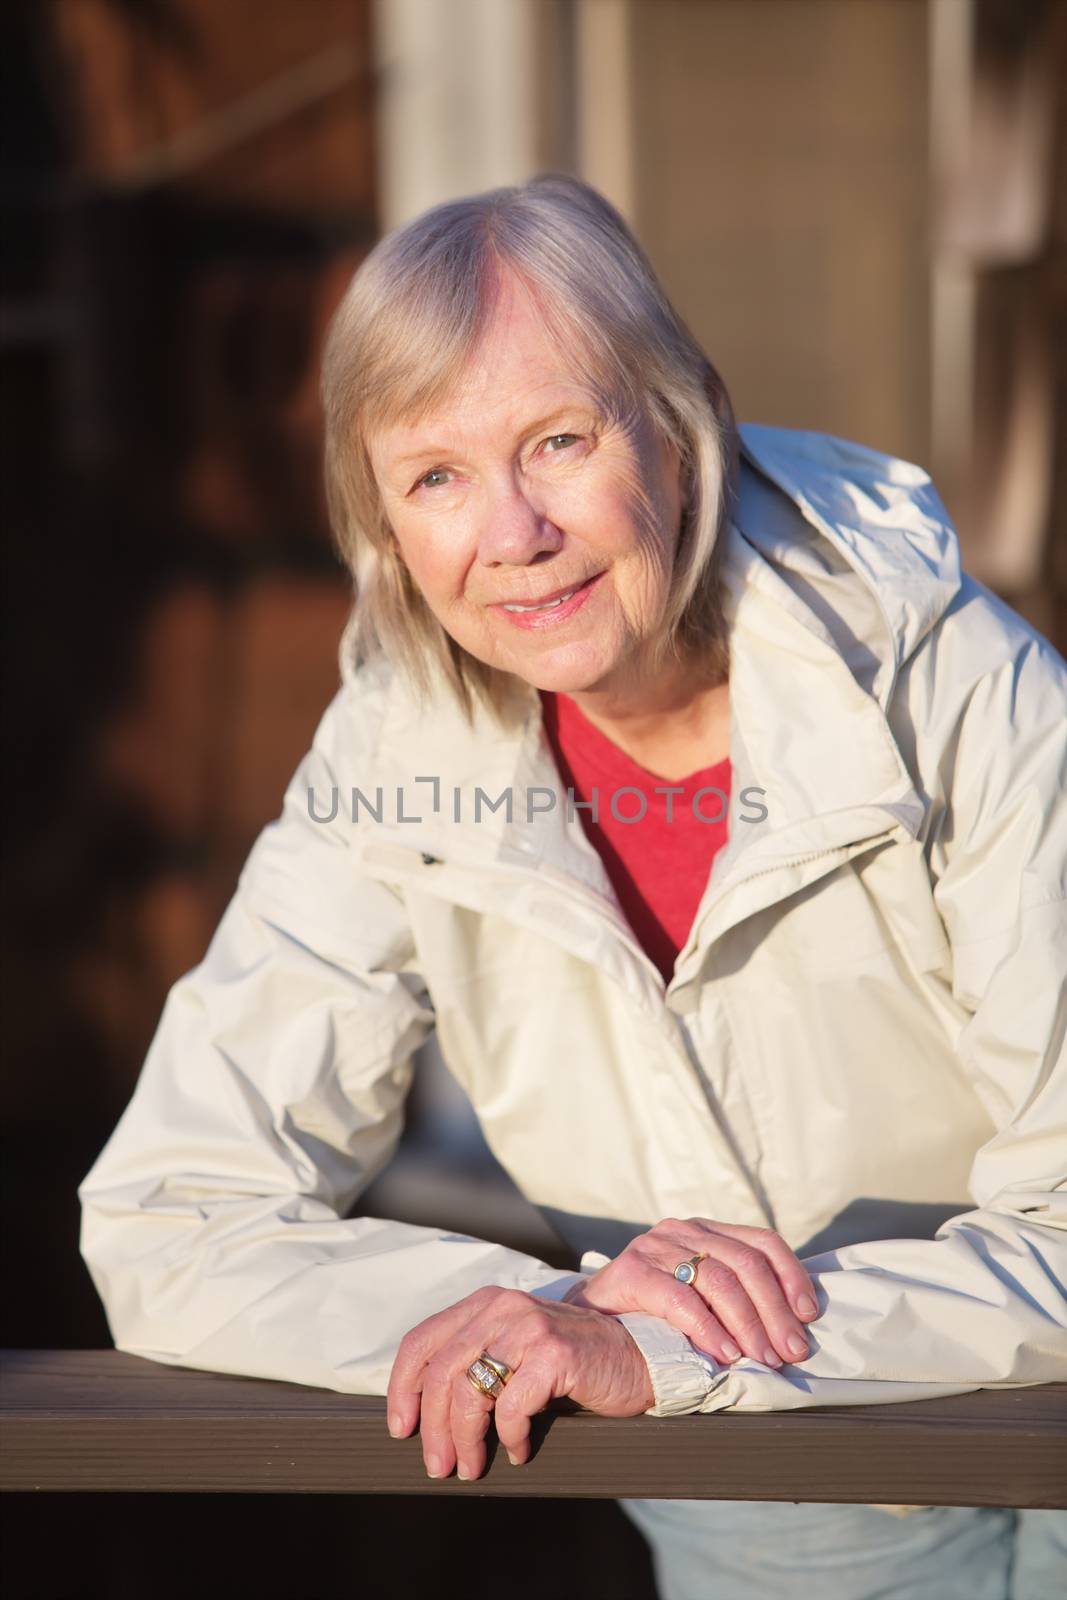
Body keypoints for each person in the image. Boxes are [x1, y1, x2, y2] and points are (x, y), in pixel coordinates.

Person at [78, 174, 1066, 1598]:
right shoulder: (394, 747)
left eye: (557, 441)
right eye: (435, 477)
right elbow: (172, 1211)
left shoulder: (959, 689)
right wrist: (549, 1312)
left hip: (1034, 1410)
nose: (513, 534)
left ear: (683, 424)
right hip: (758, 1492)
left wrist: (666, 1347)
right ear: (384, 525)